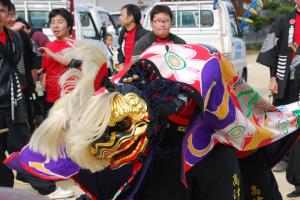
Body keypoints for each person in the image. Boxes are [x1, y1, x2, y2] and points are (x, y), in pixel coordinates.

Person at [2, 3, 73, 199]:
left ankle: (49, 185)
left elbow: (26, 68)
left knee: (30, 147)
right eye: (53, 22)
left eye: (2, 10)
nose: (56, 25)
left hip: (18, 102)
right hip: (45, 96)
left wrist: (31, 93)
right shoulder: (45, 44)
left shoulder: (15, 37)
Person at [257, 0, 300, 197]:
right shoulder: (283, 21)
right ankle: (281, 157)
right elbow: (270, 51)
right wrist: (272, 77)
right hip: (285, 79)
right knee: (283, 118)